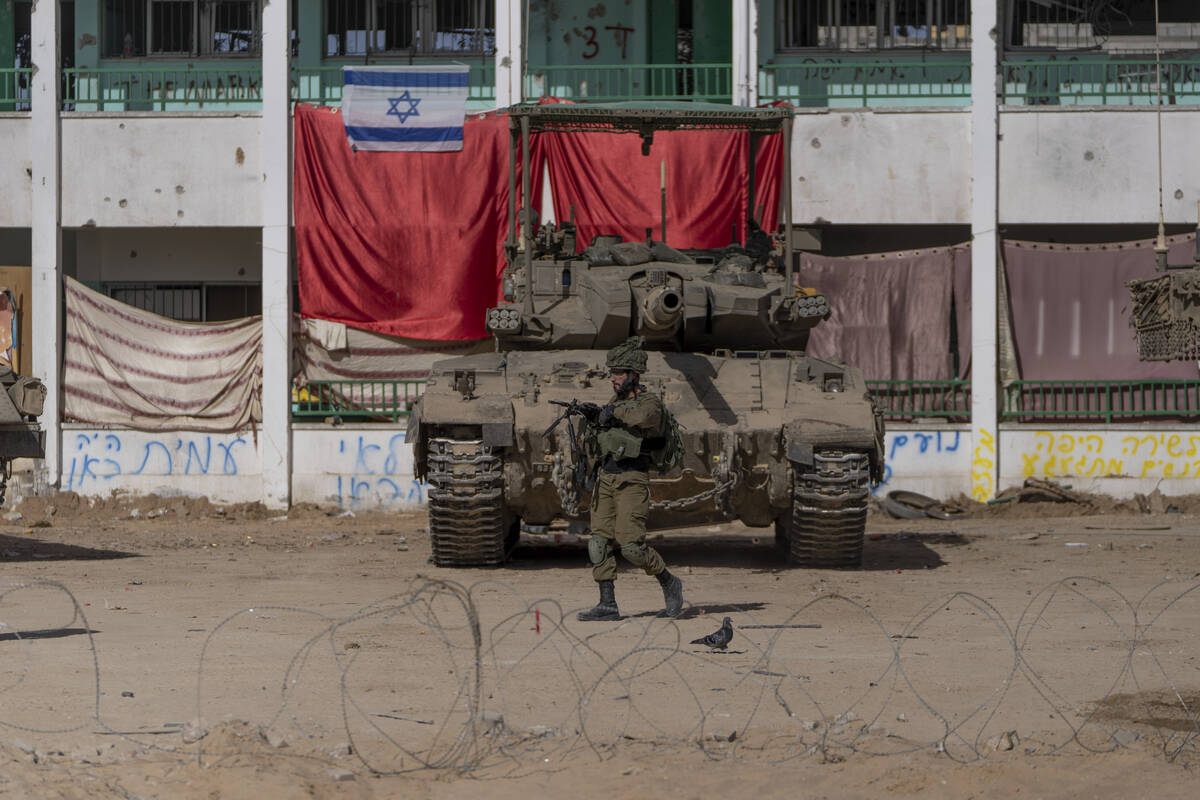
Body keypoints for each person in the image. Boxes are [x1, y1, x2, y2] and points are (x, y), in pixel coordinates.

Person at [577, 337, 684, 621]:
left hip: (632, 480)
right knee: (598, 543)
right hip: (606, 479)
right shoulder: (614, 404)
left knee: (631, 547)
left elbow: (644, 416)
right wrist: (593, 417)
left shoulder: (649, 403)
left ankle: (669, 581)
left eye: (620, 372)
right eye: (611, 372)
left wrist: (609, 414)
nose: (613, 377)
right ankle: (607, 604)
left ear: (635, 375)